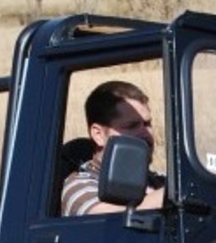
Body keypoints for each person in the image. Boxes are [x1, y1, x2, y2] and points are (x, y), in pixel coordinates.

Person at [60, 80, 166, 217]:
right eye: (132, 126)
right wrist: (170, 195)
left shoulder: (156, 182)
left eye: (147, 124)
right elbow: (107, 220)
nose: (146, 133)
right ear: (98, 135)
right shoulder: (78, 187)